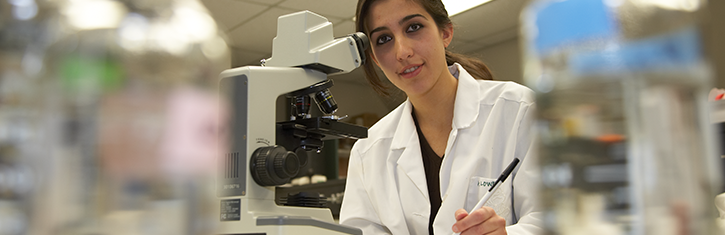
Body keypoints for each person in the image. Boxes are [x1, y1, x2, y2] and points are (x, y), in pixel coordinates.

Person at [338, 0, 543, 234]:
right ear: (375, 59)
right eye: (384, 39)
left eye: (413, 27)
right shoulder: (368, 151)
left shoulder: (518, 109)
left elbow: (555, 218)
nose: (402, 52)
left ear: (445, 33)